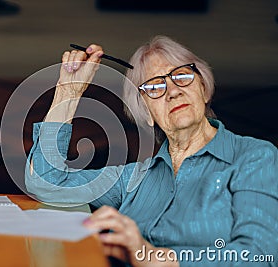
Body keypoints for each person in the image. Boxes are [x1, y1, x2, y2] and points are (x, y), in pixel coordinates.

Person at [24, 35, 278, 267]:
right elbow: (46, 182)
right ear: (145, 113)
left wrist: (154, 257)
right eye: (155, 87)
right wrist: (68, 92)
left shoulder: (253, 157)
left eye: (181, 76)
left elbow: (261, 255)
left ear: (203, 87)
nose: (173, 91)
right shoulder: (132, 179)